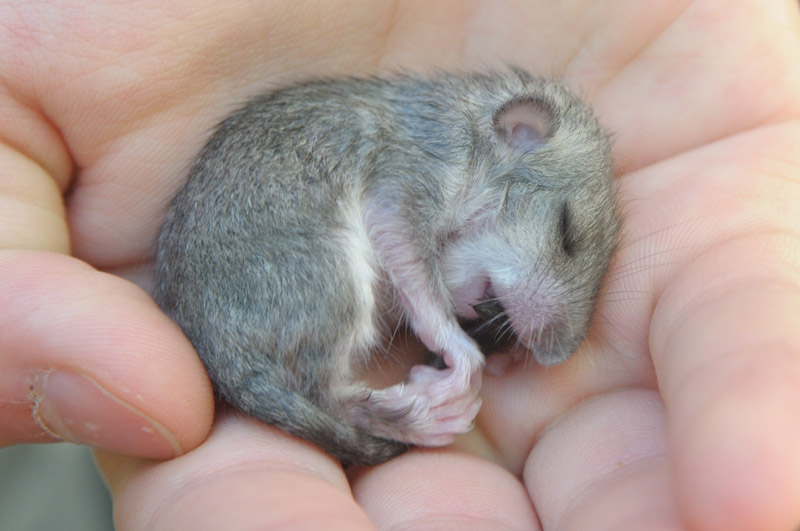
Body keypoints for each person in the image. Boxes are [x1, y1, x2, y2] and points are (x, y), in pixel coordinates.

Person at [1, 2, 798, 529]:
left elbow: (444, 267)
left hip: (246, 283)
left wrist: (477, 335)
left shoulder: (465, 176)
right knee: (341, 264)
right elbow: (391, 229)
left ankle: (352, 407)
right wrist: (448, 341)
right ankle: (356, 406)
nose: (556, 288)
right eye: (561, 236)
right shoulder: (431, 153)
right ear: (518, 131)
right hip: (261, 254)